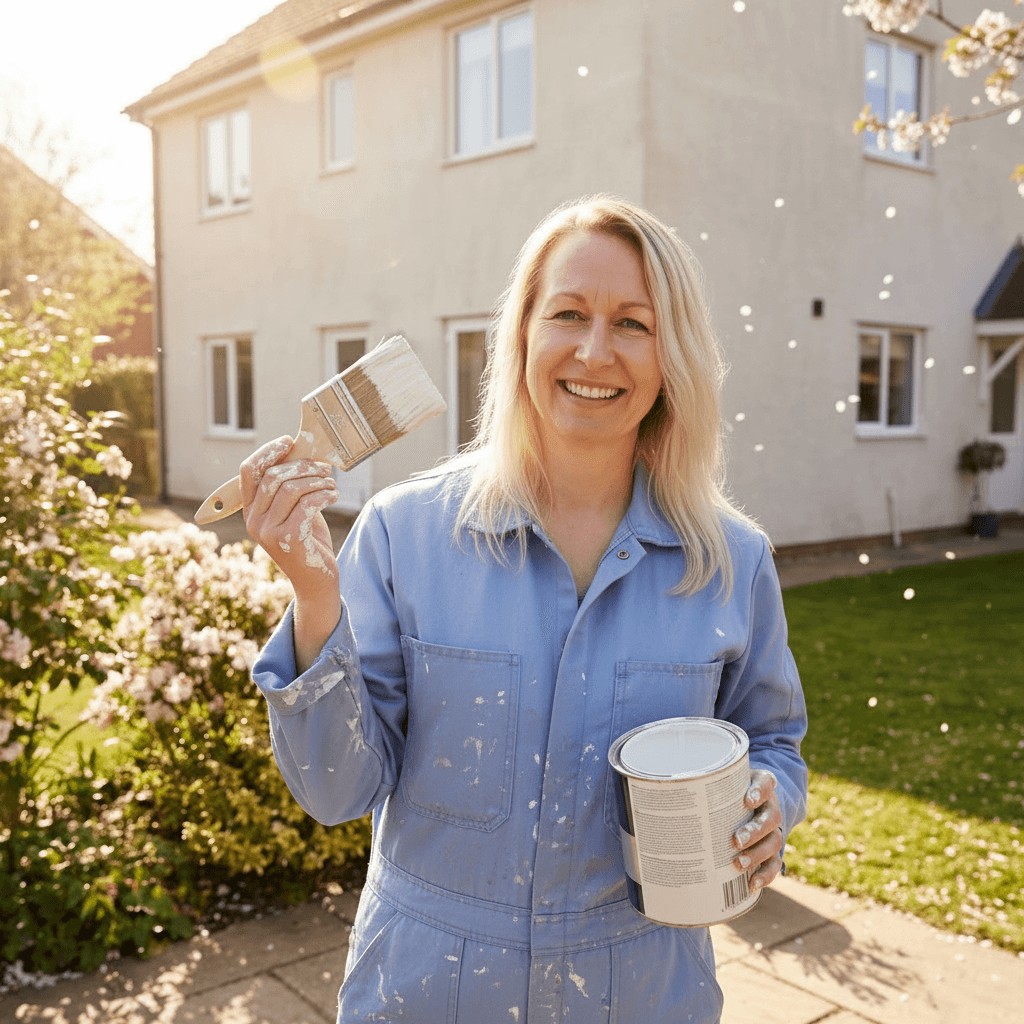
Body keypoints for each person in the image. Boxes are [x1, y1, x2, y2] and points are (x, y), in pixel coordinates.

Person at [244, 195, 808, 1024]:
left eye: (633, 325)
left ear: (670, 357)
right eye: (568, 313)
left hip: (644, 991)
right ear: (522, 336)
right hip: (426, 991)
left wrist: (767, 799)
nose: (593, 350)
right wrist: (316, 597)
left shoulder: (732, 561)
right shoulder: (405, 534)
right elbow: (337, 790)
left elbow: (774, 741)